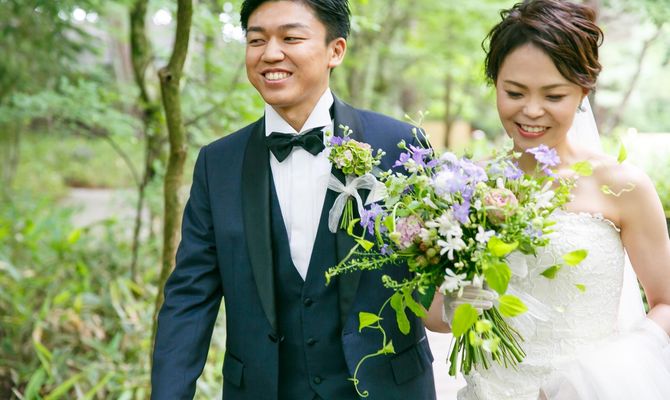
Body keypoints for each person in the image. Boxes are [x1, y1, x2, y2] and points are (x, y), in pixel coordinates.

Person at [150, 1, 436, 399]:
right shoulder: (218, 163)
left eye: (290, 37)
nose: (270, 53)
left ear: (336, 50)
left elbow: (437, 274)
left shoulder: (400, 147)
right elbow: (190, 297)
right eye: (256, 40)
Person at [424, 1, 670, 399]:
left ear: (583, 91)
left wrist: (597, 377)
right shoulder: (466, 185)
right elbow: (435, 315)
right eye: (514, 92)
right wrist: (461, 301)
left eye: (553, 95)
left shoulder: (623, 187)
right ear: (495, 84)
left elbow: (666, 303)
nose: (532, 111)